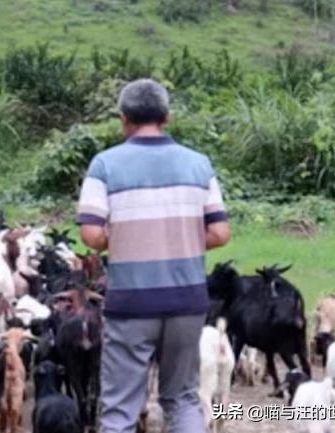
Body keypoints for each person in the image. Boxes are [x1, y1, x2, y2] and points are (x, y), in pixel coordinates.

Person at [77, 79, 231, 433]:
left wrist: (132, 239)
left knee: (120, 410)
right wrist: (176, 240)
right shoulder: (198, 164)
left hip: (131, 303)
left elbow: (91, 235)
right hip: (187, 301)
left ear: (123, 118)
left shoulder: (104, 165)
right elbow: (221, 233)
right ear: (167, 117)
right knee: (183, 399)